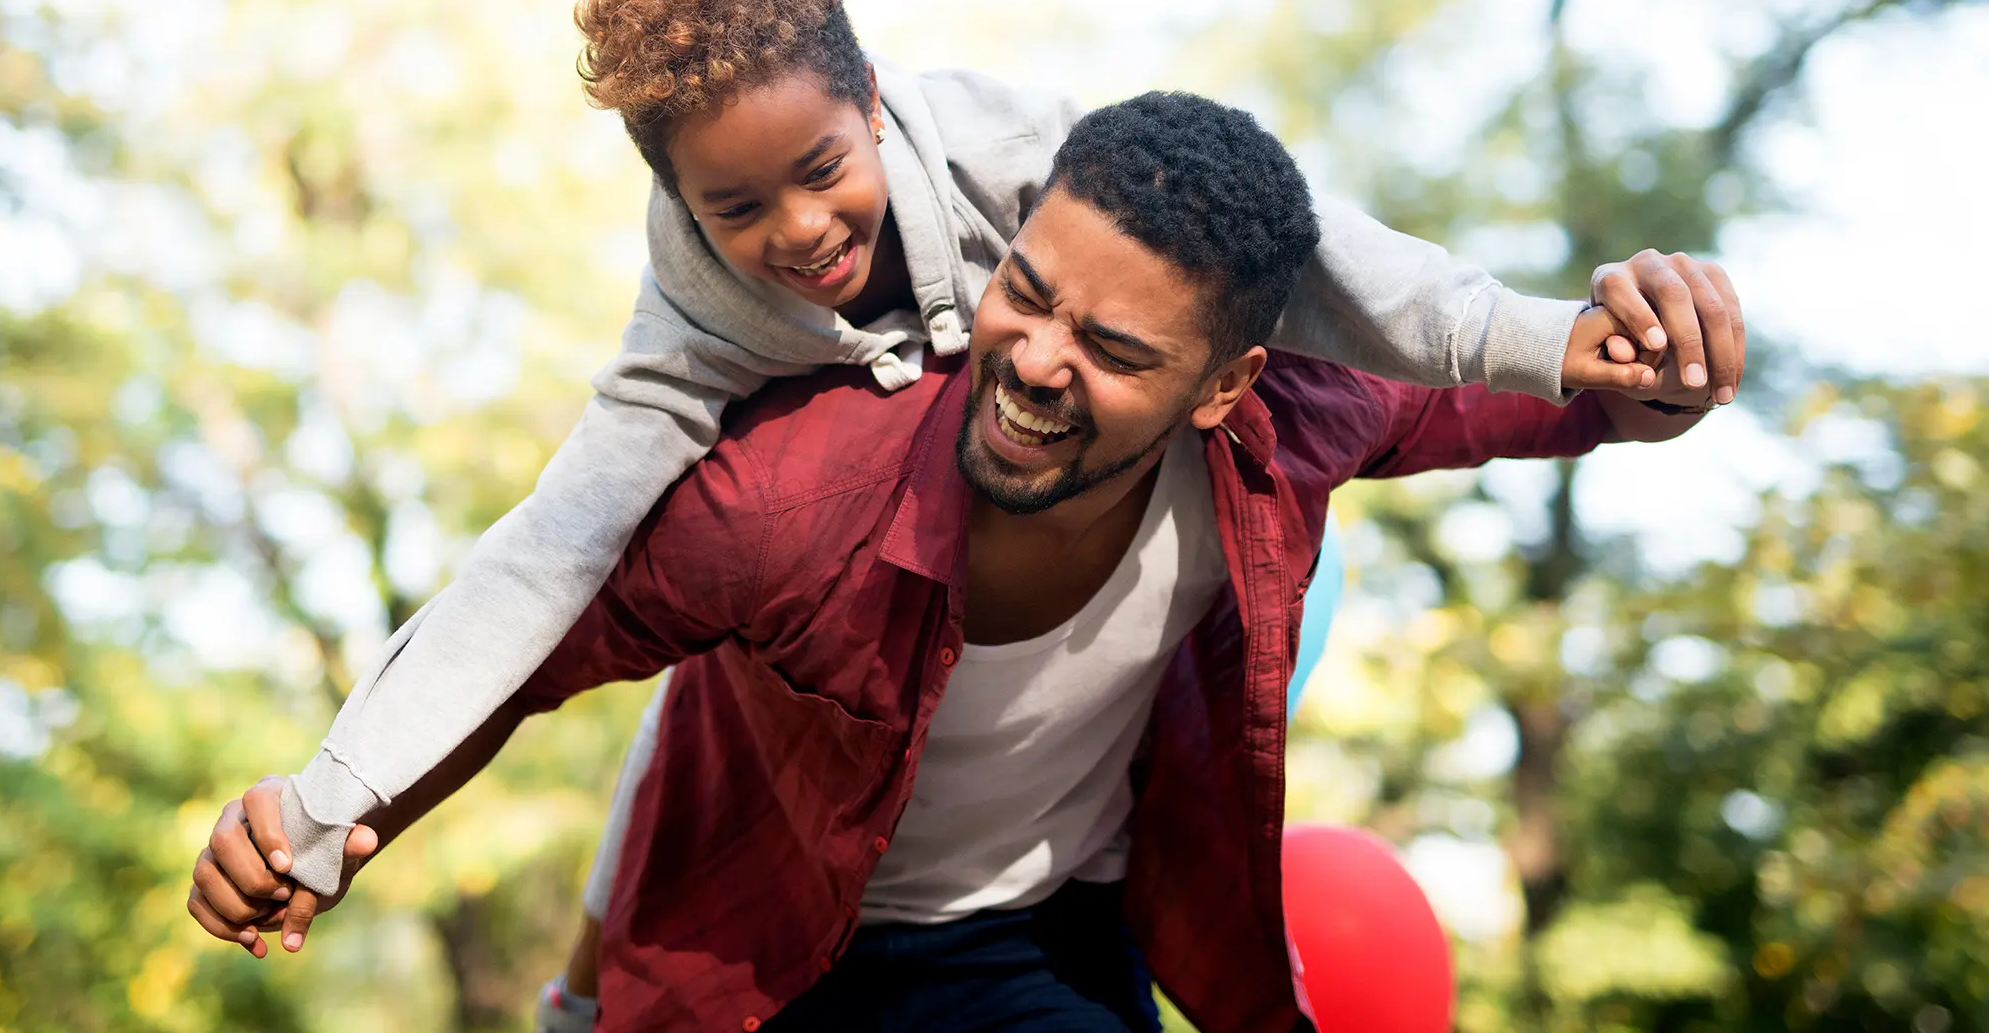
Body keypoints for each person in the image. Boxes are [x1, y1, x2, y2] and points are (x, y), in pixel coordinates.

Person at [187, 91, 1735, 1032]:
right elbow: (539, 630)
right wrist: (333, 808)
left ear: (1222, 384)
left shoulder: (1295, 418)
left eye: (1114, 348)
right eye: (1029, 292)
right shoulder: (789, 494)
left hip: (1024, 949)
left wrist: (1662, 364)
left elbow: (1558, 396)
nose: (1037, 360)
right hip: (771, 955)